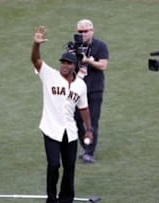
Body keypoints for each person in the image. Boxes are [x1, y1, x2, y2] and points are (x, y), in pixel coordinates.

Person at [31, 25, 93, 203]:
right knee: (53, 165)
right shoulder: (49, 75)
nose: (64, 66)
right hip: (51, 130)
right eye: (62, 62)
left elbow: (83, 108)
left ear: (74, 66)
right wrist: (36, 44)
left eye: (68, 63)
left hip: (71, 133)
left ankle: (66, 199)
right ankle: (51, 199)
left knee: (69, 168)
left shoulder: (80, 85)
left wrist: (89, 129)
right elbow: (35, 60)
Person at [73, 19, 109, 164]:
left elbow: (103, 65)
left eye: (85, 31)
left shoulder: (100, 46)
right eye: (79, 31)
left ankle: (89, 152)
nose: (82, 34)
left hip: (94, 89)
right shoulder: (74, 46)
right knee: (75, 120)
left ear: (92, 31)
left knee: (92, 122)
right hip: (77, 90)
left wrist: (89, 61)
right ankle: (86, 145)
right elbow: (66, 65)